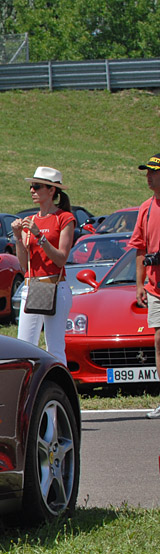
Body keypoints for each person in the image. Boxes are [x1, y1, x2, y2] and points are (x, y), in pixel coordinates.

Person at [11, 167, 76, 364]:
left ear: (51, 190)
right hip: (32, 286)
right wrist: (17, 237)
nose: (32, 190)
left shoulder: (64, 218)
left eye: (37, 186)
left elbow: (61, 259)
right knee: (24, 346)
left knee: (55, 348)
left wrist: (40, 236)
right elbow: (24, 265)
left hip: (55, 285)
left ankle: (58, 389)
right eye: (31, 186)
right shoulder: (30, 220)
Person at [128, 153, 160, 418]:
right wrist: (139, 284)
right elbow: (140, 248)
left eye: (154, 171)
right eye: (147, 171)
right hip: (155, 287)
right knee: (159, 340)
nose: (149, 176)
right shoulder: (146, 208)